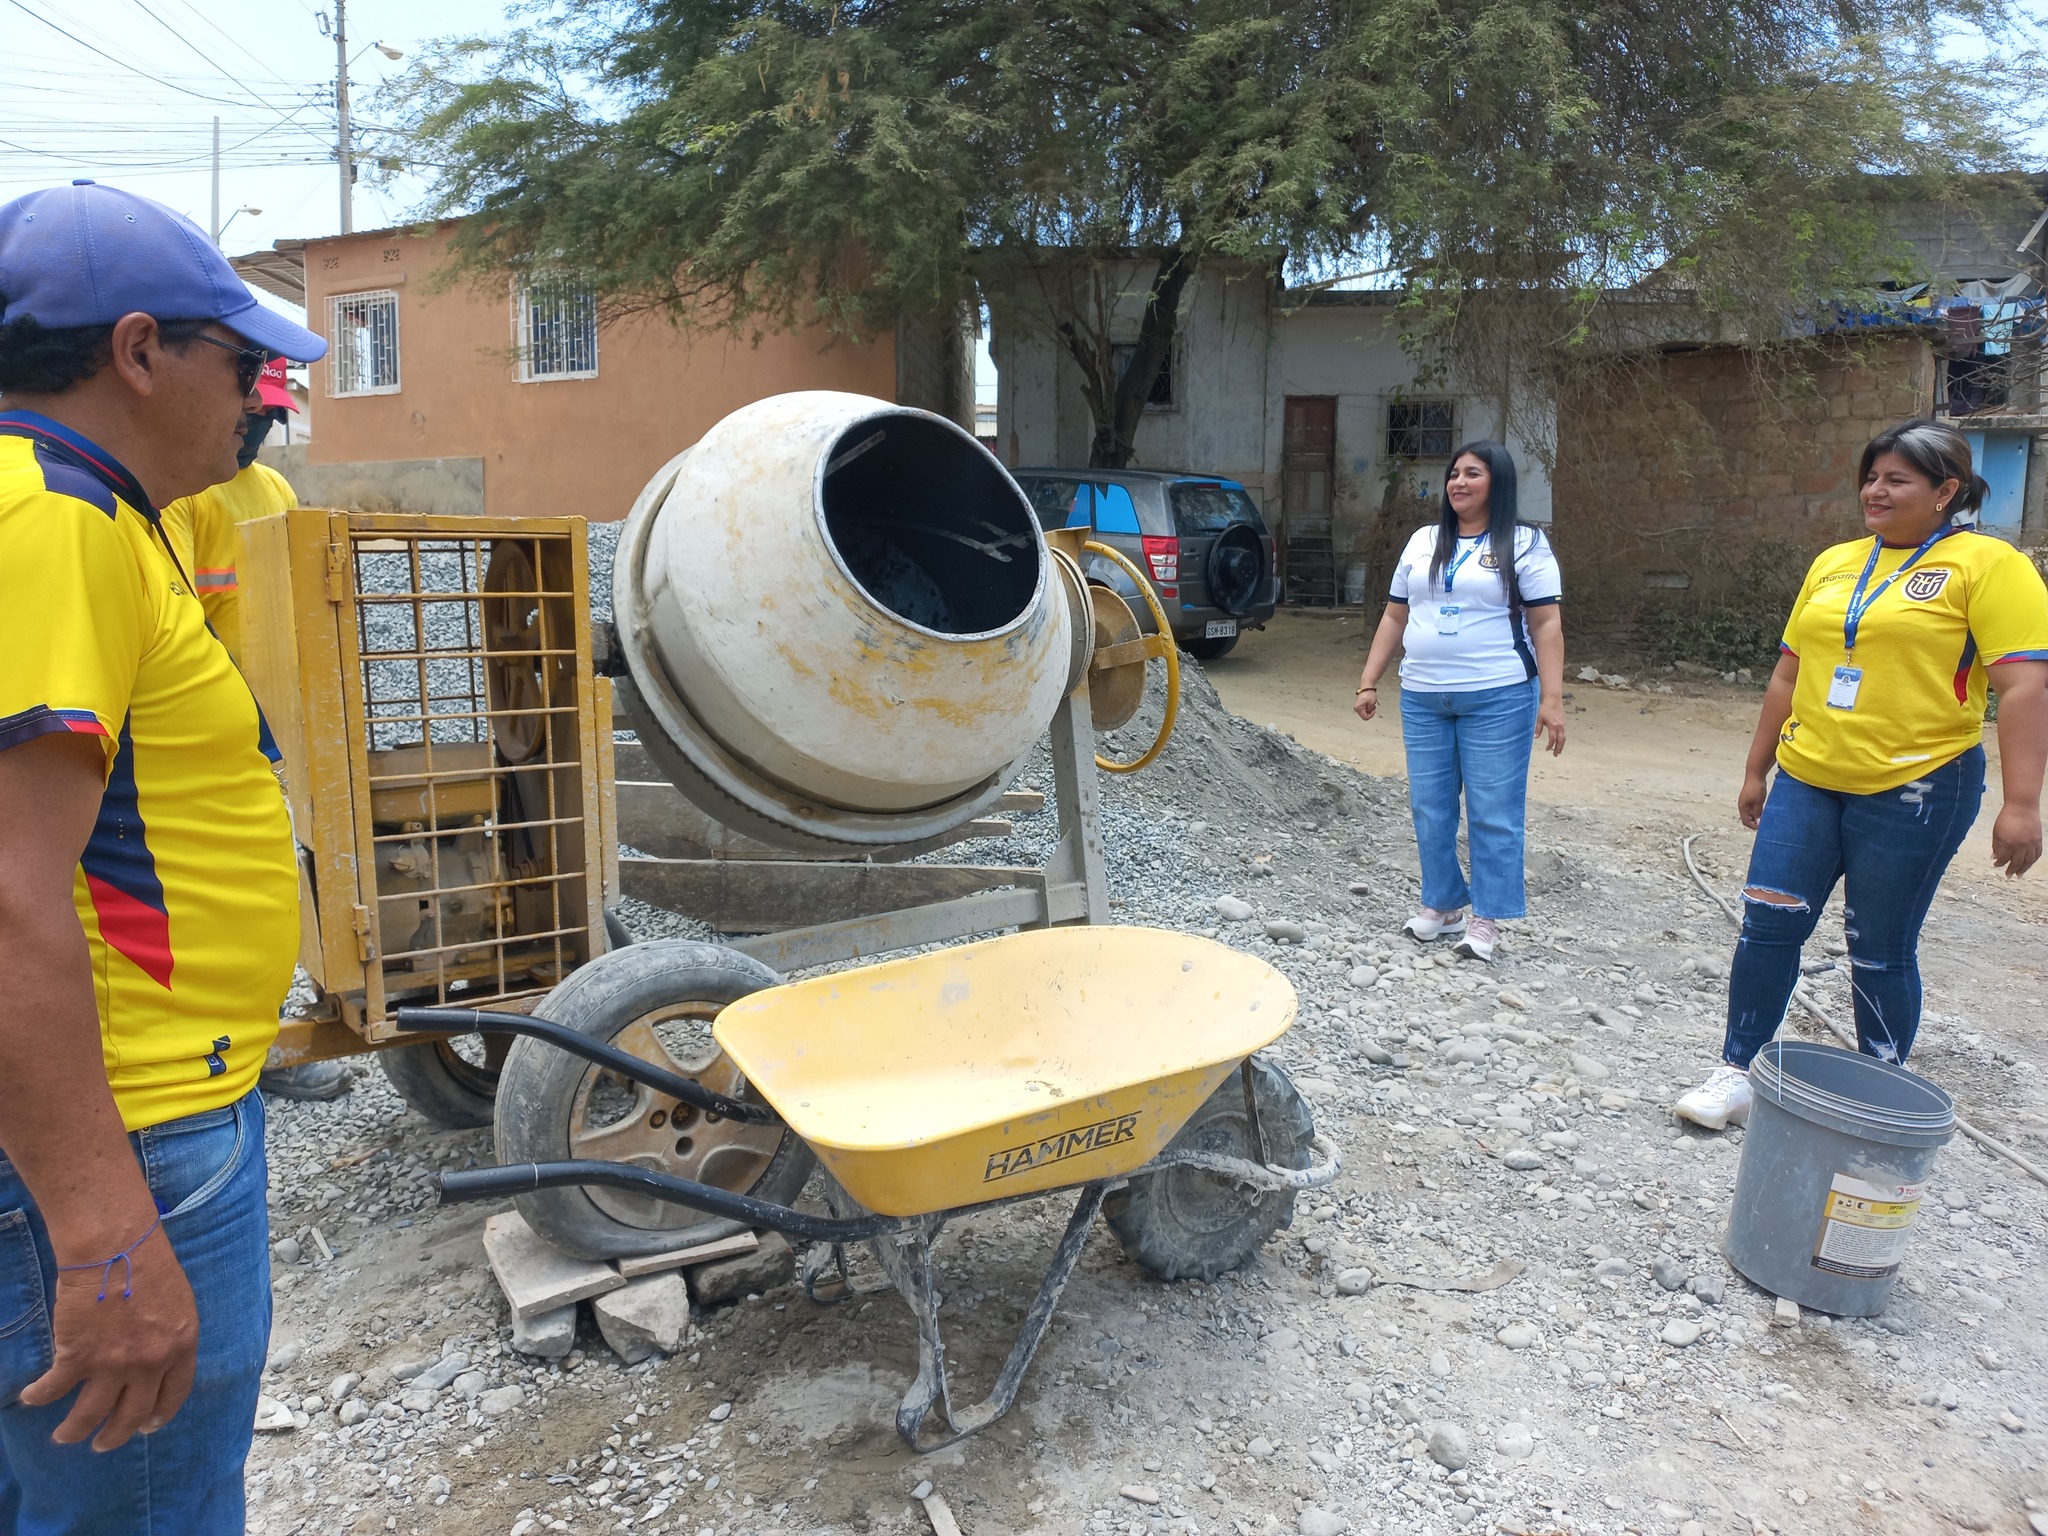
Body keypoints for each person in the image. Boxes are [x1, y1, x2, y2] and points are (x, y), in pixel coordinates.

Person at [0, 180, 326, 1531]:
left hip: (129, 1113)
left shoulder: (93, 513)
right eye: (242, 364)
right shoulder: (54, 525)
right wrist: (102, 1230)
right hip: (129, 1129)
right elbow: (8, 894)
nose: (255, 400)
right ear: (138, 351)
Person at [1675, 420, 2048, 1131]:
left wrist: (2022, 803)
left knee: (1877, 947)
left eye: (1896, 479)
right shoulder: (1836, 562)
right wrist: (1757, 768)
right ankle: (1738, 1073)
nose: (1875, 491)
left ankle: (1880, 1098)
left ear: (1945, 491)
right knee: (1768, 924)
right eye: (1871, 477)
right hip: (1808, 777)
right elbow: (1789, 673)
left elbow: (2025, 687)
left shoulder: (1989, 565)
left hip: (1920, 783)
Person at [160, 367, 350, 1102]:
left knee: (280, 874)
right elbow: (180, 618)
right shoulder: (186, 497)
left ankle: (263, 1029)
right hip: (217, 720)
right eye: (252, 415)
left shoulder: (273, 490)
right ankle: (244, 1047)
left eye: (270, 420)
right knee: (226, 884)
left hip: (280, 714)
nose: (256, 430)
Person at [1352, 440, 1567, 962]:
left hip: (1499, 694)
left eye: (1473, 473)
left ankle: (1486, 918)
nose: (1458, 482)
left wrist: (1552, 698)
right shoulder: (1423, 541)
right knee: (1430, 808)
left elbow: (1545, 623)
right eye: (1454, 474)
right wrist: (1368, 680)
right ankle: (1444, 904)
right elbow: (1395, 615)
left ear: (1498, 483)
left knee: (1493, 810)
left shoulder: (1525, 543)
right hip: (1423, 695)